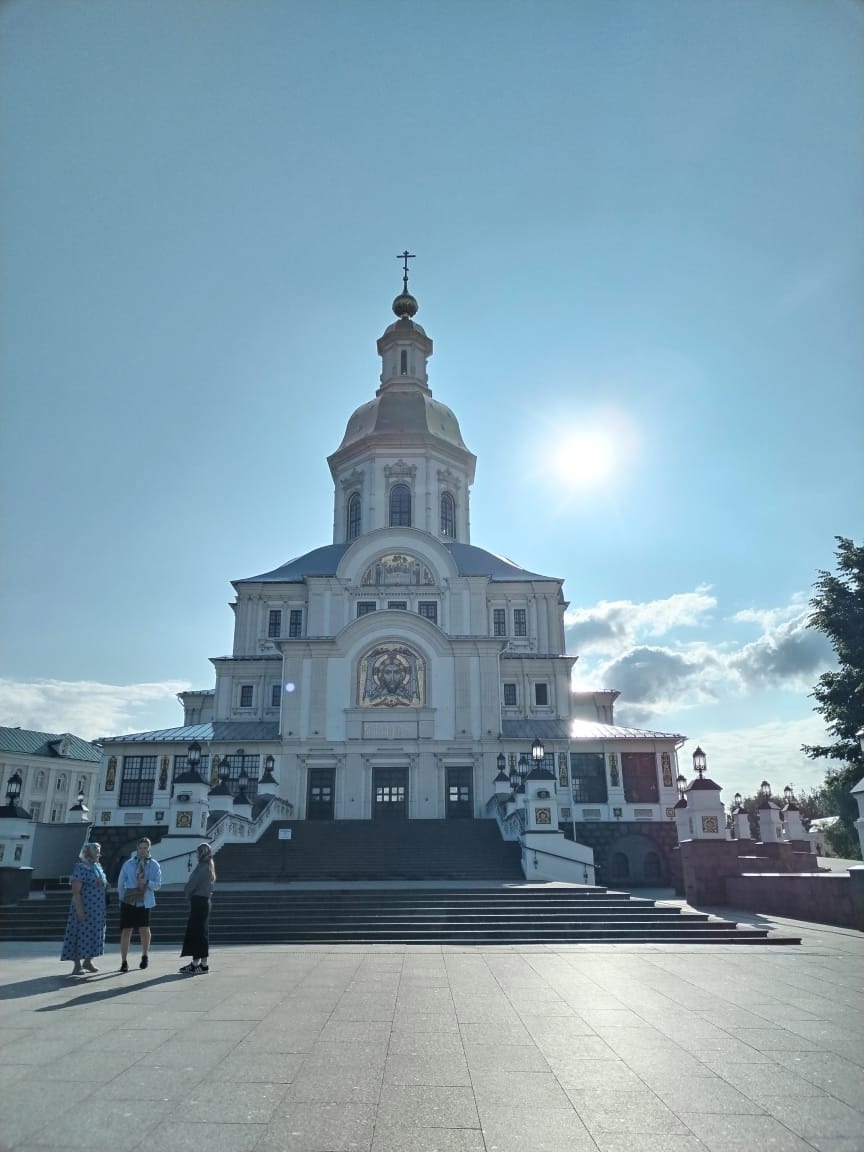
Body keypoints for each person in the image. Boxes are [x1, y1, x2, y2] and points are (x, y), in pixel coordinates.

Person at [61, 841, 108, 976]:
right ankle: (77, 965)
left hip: (97, 910)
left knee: (94, 934)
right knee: (79, 934)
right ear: (88, 852)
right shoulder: (81, 868)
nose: (99, 854)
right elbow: (76, 890)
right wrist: (80, 909)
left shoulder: (97, 867)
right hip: (84, 907)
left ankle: (88, 961)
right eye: (97, 851)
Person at [117, 837, 162, 973]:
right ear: (137, 849)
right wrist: (122, 898)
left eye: (145, 848)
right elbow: (121, 882)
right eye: (140, 848)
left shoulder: (154, 864)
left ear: (149, 849)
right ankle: (124, 961)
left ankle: (144, 955)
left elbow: (158, 884)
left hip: (144, 901)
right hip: (129, 900)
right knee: (126, 931)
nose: (142, 850)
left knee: (144, 929)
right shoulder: (129, 864)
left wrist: (146, 882)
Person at [179, 842, 216, 975]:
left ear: (201, 853)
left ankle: (203, 965)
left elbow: (191, 885)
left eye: (197, 852)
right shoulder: (209, 867)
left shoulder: (202, 868)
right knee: (200, 932)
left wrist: (187, 893)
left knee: (198, 933)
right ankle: (196, 963)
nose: (195, 855)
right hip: (204, 901)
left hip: (198, 901)